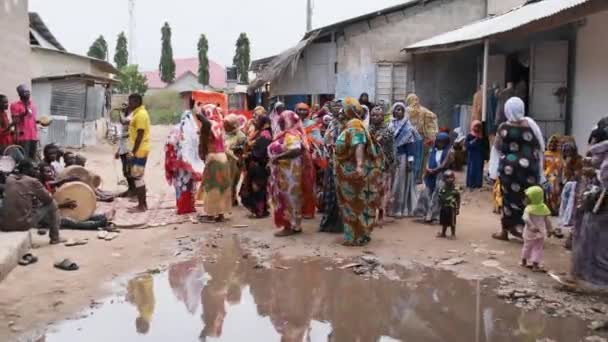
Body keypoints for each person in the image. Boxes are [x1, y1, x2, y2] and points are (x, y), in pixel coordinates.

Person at [489, 97, 545, 241]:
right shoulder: (531, 125)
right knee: (528, 199)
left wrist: (493, 172)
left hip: (509, 171)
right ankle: (528, 229)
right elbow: (540, 146)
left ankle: (505, 231)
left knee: (508, 200)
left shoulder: (503, 128)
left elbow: (497, 148)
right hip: (529, 171)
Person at [334, 97, 382, 246]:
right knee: (356, 204)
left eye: (343, 108)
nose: (340, 111)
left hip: (352, 174)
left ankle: (355, 237)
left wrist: (359, 166)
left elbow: (359, 144)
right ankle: (358, 235)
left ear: (349, 110)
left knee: (353, 205)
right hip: (347, 174)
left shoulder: (354, 125)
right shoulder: (350, 125)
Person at [0, 159, 69, 244]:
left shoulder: (9, 179)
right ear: (26, 170)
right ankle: (55, 237)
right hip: (22, 225)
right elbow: (48, 199)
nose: (37, 171)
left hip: (4, 225)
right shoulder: (33, 182)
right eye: (34, 169)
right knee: (52, 204)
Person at [268, 111, 310, 237]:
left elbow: (295, 150)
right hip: (288, 173)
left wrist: (277, 157)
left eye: (282, 121)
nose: (279, 123)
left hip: (288, 174)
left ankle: (289, 226)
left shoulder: (291, 135)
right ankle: (295, 225)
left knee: (288, 199)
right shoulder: (290, 133)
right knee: (293, 198)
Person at [38, 162, 114, 230]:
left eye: (51, 171)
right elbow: (44, 207)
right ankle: (96, 224)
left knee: (80, 215)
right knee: (68, 221)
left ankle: (99, 217)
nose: (50, 174)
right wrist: (64, 205)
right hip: (43, 217)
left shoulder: (47, 184)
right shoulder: (39, 188)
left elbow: (57, 183)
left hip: (53, 211)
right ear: (40, 173)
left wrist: (67, 179)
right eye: (47, 172)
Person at [165, 101, 204, 215]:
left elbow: (169, 146)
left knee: (181, 185)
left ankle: (182, 206)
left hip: (178, 164)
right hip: (188, 163)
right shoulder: (193, 130)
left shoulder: (175, 130)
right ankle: (187, 207)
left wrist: (171, 161)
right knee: (189, 185)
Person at [198, 105, 232, 222]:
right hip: (223, 157)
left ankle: (211, 214)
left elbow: (203, 144)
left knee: (211, 187)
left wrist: (202, 155)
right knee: (222, 187)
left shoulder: (207, 126)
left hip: (213, 158)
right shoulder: (219, 124)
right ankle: (221, 214)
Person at [388, 102, 420, 218]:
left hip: (402, 158)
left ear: (404, 112)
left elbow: (411, 146)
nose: (398, 112)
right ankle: (388, 207)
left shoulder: (408, 128)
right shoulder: (390, 125)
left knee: (399, 183)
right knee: (389, 182)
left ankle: (399, 208)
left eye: (401, 110)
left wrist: (410, 161)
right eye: (396, 109)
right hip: (391, 158)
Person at [415, 132, 454, 223]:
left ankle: (435, 215)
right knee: (426, 193)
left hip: (442, 175)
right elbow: (427, 161)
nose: (439, 144)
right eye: (438, 142)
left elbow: (445, 164)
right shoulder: (432, 150)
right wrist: (428, 168)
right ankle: (424, 213)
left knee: (438, 195)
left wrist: (436, 170)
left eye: (442, 142)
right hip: (430, 175)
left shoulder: (450, 151)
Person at [240, 115, 272, 218]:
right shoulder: (260, 133)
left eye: (258, 120)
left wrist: (249, 154)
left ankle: (260, 211)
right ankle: (262, 210)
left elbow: (260, 153)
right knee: (258, 189)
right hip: (257, 165)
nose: (255, 122)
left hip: (259, 166)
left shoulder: (265, 135)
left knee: (257, 189)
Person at [319, 101, 344, 233]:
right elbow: (325, 141)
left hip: (343, 164)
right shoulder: (331, 124)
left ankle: (341, 224)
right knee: (330, 191)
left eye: (339, 107)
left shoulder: (346, 125)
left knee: (341, 193)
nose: (337, 109)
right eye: (334, 106)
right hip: (331, 162)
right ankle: (330, 221)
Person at [295, 102, 323, 219]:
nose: (302, 112)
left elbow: (319, 141)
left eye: (304, 110)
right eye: (299, 109)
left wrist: (307, 141)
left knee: (308, 184)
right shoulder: (291, 123)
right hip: (294, 157)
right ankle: (296, 210)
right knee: (295, 184)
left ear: (308, 111)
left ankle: (308, 211)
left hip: (308, 157)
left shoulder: (312, 124)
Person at [368, 105, 395, 225]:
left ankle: (381, 214)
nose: (375, 117)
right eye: (373, 115)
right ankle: (372, 214)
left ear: (383, 116)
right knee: (372, 189)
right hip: (371, 164)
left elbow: (379, 141)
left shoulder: (388, 130)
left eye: (377, 115)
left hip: (384, 164)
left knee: (383, 190)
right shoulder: (368, 129)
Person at [126, 94, 151, 212]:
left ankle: (142, 205)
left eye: (131, 102)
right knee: (138, 177)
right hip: (140, 149)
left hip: (139, 150)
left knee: (138, 178)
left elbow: (140, 135)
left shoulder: (141, 115)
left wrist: (132, 152)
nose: (129, 104)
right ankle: (142, 204)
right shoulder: (137, 113)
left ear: (137, 101)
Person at [406, 94, 438, 182]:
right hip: (419, 137)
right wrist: (430, 134)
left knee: (412, 156)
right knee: (419, 157)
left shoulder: (406, 111)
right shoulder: (423, 110)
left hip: (409, 138)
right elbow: (433, 117)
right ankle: (418, 177)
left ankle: (412, 177)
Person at [521, 186, 553, 272]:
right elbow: (547, 220)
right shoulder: (544, 208)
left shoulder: (528, 208)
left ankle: (524, 260)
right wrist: (550, 230)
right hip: (541, 232)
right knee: (538, 248)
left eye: (527, 197)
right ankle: (535, 265)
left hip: (529, 232)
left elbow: (525, 218)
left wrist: (531, 226)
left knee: (527, 246)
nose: (525, 199)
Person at [557, 139, 583, 228]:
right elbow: (560, 175)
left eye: (569, 151)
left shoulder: (579, 160)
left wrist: (568, 166)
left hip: (576, 185)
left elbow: (577, 175)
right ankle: (564, 217)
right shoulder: (563, 161)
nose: (567, 153)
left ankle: (570, 219)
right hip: (566, 185)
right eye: (566, 151)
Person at [223, 114, 248, 206]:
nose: (224, 126)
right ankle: (230, 199)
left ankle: (232, 199)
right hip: (226, 160)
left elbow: (244, 147)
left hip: (235, 160)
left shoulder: (240, 135)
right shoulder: (225, 134)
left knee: (233, 180)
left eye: (226, 125)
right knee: (227, 180)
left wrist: (234, 148)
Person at [10, 85, 38, 159]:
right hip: (23, 136)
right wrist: (23, 114)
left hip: (33, 136)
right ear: (20, 94)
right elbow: (15, 121)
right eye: (25, 92)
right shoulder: (14, 105)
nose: (28, 93)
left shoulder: (33, 105)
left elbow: (33, 120)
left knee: (32, 158)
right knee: (24, 159)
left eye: (28, 92)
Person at [115, 103, 136, 197]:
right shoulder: (127, 116)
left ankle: (135, 191)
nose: (123, 108)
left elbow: (123, 122)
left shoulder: (133, 116)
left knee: (129, 170)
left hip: (129, 148)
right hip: (123, 148)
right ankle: (131, 190)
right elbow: (123, 134)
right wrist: (118, 150)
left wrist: (119, 111)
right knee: (125, 171)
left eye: (125, 106)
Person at [437, 170, 461, 239]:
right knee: (444, 221)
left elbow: (458, 198)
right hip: (444, 207)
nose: (449, 179)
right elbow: (439, 197)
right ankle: (443, 233)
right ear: (444, 179)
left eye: (451, 177)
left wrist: (458, 208)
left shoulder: (455, 189)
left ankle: (453, 234)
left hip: (452, 208)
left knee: (452, 222)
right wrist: (439, 205)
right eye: (447, 178)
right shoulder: (443, 188)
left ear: (453, 178)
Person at [543, 135, 563, 214]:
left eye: (555, 143)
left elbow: (562, 167)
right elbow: (542, 168)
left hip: (558, 177)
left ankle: (555, 208)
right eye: (551, 143)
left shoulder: (560, 154)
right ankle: (550, 208)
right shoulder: (545, 154)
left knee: (556, 187)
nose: (552, 145)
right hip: (547, 177)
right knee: (551, 186)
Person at [466, 120, 485, 189]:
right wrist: (474, 141)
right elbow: (467, 145)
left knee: (479, 169)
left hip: (479, 155)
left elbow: (484, 146)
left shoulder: (482, 136)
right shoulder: (469, 135)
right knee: (471, 169)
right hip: (472, 155)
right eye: (475, 126)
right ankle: (470, 184)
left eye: (478, 127)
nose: (476, 128)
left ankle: (478, 184)